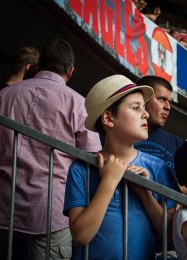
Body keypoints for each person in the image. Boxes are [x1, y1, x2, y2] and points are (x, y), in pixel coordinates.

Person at [0, 39, 101, 259]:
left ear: (38, 65)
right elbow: (93, 155)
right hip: (50, 210)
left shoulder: (3, 96)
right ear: (70, 71)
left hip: (1, 202)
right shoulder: (79, 104)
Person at [63, 75, 180, 259]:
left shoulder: (158, 168)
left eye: (144, 107)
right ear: (108, 118)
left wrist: (145, 193)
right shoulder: (81, 169)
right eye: (136, 108)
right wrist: (109, 182)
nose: (146, 114)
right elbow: (81, 236)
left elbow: (170, 237)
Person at [134, 76, 184, 188]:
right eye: (161, 99)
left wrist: (159, 188)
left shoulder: (179, 145)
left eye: (169, 102)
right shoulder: (113, 135)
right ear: (143, 98)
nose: (168, 107)